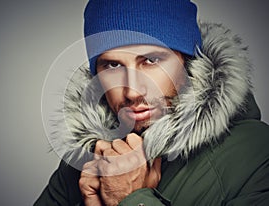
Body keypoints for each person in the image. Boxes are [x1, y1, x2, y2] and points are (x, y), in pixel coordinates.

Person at [35, 0, 269, 205]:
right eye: (113, 66)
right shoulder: (84, 157)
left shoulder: (258, 154)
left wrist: (131, 199)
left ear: (189, 62)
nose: (132, 92)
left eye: (151, 60)